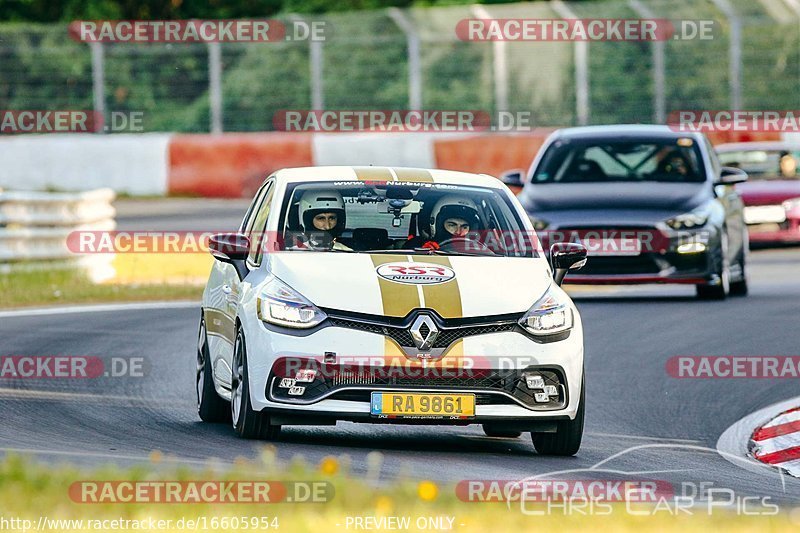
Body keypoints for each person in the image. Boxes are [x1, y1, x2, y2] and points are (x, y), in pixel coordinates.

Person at [405, 195, 482, 250]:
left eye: (464, 227)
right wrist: (423, 253)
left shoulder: (481, 250)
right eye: (452, 225)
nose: (458, 232)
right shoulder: (415, 246)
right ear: (436, 224)